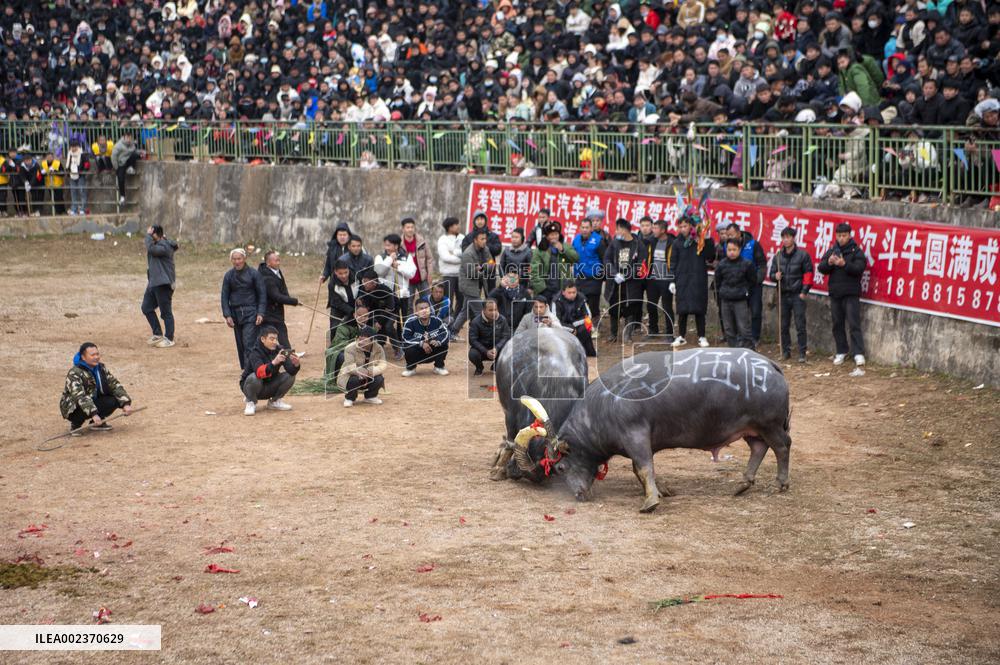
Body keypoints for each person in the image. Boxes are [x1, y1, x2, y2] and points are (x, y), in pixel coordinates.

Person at [818, 222, 867, 370]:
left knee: (853, 323)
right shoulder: (833, 250)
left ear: (849, 235)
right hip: (835, 292)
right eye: (839, 236)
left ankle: (858, 352)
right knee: (837, 323)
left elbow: (859, 268)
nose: (841, 238)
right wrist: (830, 262)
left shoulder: (856, 251)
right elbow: (821, 268)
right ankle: (841, 350)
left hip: (851, 293)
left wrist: (844, 264)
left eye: (844, 235)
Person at [60, 342, 134, 434]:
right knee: (80, 405)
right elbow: (80, 396)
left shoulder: (101, 368)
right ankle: (76, 424)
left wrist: (125, 403)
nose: (96, 357)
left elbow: (114, 385)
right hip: (75, 407)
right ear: (83, 357)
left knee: (113, 400)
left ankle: (98, 422)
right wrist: (93, 414)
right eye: (92, 355)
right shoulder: (74, 373)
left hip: (92, 401)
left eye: (97, 354)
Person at [669, 212, 715, 347]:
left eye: (685, 226)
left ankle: (702, 336)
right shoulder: (677, 243)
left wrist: (706, 240)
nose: (683, 229)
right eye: (680, 226)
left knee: (699, 308)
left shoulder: (699, 240)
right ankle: (681, 336)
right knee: (682, 309)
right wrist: (672, 280)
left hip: (698, 278)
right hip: (682, 279)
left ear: (691, 226)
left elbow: (710, 256)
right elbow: (673, 262)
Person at [770, 227, 814, 362]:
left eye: (788, 237)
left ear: (793, 238)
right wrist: (775, 276)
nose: (785, 240)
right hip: (783, 294)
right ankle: (785, 352)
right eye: (783, 237)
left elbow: (808, 274)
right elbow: (772, 274)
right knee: (783, 325)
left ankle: (802, 353)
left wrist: (804, 292)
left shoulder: (803, 255)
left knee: (800, 324)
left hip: (797, 294)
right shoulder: (778, 256)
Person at [221, 248, 266, 370]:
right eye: (234, 259)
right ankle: (246, 368)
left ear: (244, 259)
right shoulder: (228, 276)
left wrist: (260, 313)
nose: (237, 262)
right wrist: (227, 315)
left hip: (251, 312)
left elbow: (262, 294)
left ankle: (249, 370)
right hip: (235, 314)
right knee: (240, 343)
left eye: (239, 258)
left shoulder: (254, 274)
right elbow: (224, 296)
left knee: (248, 342)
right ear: (231, 260)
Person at [240, 325, 301, 416]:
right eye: (271, 339)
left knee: (290, 376)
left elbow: (290, 371)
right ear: (263, 339)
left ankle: (274, 401)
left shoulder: (279, 350)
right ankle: (251, 401)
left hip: (269, 385)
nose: (274, 342)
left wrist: (296, 364)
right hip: (252, 386)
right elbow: (260, 373)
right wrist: (274, 362)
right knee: (254, 378)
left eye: (276, 339)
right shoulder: (255, 353)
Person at [604, 218, 646, 343]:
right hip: (615, 283)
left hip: (631, 284)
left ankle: (627, 335)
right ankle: (613, 334)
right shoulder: (614, 243)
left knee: (630, 308)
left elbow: (640, 264)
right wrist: (614, 273)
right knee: (614, 308)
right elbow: (606, 259)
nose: (616, 232)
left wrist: (627, 276)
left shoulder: (639, 245)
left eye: (617, 229)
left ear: (623, 229)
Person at [725, 222, 767, 346]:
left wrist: (757, 280)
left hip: (753, 285)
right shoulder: (727, 246)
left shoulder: (753, 244)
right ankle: (740, 337)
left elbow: (762, 264)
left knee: (755, 311)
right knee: (739, 313)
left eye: (731, 235)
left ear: (739, 233)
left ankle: (754, 337)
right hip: (738, 286)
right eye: (728, 235)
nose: (730, 238)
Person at [373, 233, 417, 345]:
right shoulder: (380, 257)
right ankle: (381, 344)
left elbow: (411, 273)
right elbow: (378, 272)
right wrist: (389, 260)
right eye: (385, 245)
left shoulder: (406, 257)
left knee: (402, 320)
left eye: (389, 245)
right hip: (385, 296)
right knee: (384, 320)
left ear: (396, 246)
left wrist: (399, 267)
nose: (386, 247)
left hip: (402, 295)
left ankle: (403, 343)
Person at [714, 238, 757, 349]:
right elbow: (717, 281)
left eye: (734, 249)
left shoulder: (747, 264)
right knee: (728, 329)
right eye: (729, 250)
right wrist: (722, 292)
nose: (732, 252)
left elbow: (752, 281)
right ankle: (733, 351)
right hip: (725, 300)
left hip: (740, 300)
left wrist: (745, 293)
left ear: (740, 250)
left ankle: (750, 351)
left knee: (744, 328)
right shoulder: (721, 264)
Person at [142, 224, 179, 348]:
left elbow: (151, 249)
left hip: (164, 284)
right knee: (146, 307)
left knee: (166, 312)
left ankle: (169, 338)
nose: (149, 237)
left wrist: (148, 236)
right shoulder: (160, 243)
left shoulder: (164, 246)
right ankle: (157, 333)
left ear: (156, 235)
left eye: (152, 234)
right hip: (153, 282)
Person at [572, 212, 608, 336]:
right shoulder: (576, 239)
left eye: (587, 227)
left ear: (591, 228)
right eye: (582, 227)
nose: (585, 230)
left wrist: (603, 276)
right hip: (580, 277)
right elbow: (572, 256)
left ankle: (595, 327)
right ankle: (584, 326)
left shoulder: (599, 240)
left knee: (593, 304)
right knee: (580, 303)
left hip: (594, 278)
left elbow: (605, 259)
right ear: (580, 228)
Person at [452, 228, 492, 336]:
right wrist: (483, 269)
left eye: (485, 239)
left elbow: (491, 262)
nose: (484, 241)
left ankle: (453, 332)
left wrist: (482, 267)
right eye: (482, 239)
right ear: (475, 240)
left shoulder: (486, 249)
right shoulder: (468, 253)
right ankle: (486, 334)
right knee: (480, 312)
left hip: (478, 283)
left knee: (466, 312)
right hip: (468, 286)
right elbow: (471, 274)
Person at [529, 221, 580, 302]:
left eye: (556, 234)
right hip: (546, 290)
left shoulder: (566, 246)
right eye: (551, 235)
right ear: (547, 236)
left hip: (562, 289)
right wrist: (541, 289)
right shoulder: (540, 250)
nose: (554, 237)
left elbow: (576, 258)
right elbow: (534, 271)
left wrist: (563, 250)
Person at [337, 326, 387, 407]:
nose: (361, 342)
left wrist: (372, 371)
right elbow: (349, 366)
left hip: (370, 374)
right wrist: (361, 372)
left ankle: (370, 397)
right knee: (354, 380)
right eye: (360, 339)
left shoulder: (378, 348)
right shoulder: (350, 348)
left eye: (365, 340)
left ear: (372, 340)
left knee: (379, 378)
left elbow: (383, 364)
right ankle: (349, 398)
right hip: (352, 375)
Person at [259, 250, 300, 348]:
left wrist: (290, 298)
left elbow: (283, 289)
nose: (278, 263)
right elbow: (276, 296)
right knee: (278, 337)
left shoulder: (277, 271)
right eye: (276, 261)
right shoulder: (267, 278)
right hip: (270, 314)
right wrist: (294, 301)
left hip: (276, 313)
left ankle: (286, 357)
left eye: (279, 260)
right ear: (268, 263)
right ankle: (288, 359)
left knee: (280, 337)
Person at [401, 300, 450, 376]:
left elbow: (446, 333)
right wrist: (421, 343)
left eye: (426, 308)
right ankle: (411, 368)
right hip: (417, 352)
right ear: (416, 312)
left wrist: (438, 341)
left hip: (432, 351)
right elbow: (405, 338)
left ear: (430, 309)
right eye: (421, 309)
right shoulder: (410, 322)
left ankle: (439, 367)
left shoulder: (437, 321)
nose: (424, 311)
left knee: (443, 345)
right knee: (408, 348)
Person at [645, 220, 676, 339]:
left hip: (666, 279)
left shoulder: (672, 242)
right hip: (653, 279)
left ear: (663, 230)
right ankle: (653, 329)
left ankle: (670, 333)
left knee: (667, 307)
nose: (653, 230)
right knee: (651, 305)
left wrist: (673, 279)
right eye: (653, 228)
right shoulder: (652, 241)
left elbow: (674, 262)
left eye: (656, 228)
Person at [326, 305, 370, 388]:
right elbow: (341, 344)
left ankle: (365, 378)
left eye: (366, 316)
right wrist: (357, 345)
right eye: (360, 316)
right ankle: (346, 380)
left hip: (357, 352)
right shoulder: (344, 326)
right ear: (354, 315)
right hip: (338, 352)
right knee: (345, 356)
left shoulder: (367, 327)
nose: (364, 319)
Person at [552, 281, 597, 356]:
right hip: (563, 327)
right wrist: (571, 328)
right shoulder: (556, 301)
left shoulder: (581, 298)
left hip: (577, 325)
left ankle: (586, 351)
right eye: (569, 292)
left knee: (587, 326)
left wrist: (574, 325)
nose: (572, 295)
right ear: (563, 292)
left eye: (574, 292)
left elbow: (588, 315)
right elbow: (555, 321)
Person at [468, 299, 510, 375]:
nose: (494, 312)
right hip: (482, 350)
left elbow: (506, 336)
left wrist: (497, 348)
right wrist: (485, 351)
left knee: (509, 349)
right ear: (484, 310)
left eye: (495, 309)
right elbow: (472, 340)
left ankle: (496, 366)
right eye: (490, 310)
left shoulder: (502, 320)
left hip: (497, 349)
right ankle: (479, 368)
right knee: (473, 354)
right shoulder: (475, 322)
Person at [437, 217, 465, 328]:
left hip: (461, 275)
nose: (458, 226)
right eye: (455, 225)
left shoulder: (463, 238)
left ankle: (455, 323)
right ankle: (446, 323)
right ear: (449, 227)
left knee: (462, 300)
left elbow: (466, 253)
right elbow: (445, 257)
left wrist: (454, 252)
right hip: (448, 274)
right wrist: (461, 258)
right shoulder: (443, 239)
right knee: (447, 300)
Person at [400, 217, 435, 305]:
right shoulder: (399, 244)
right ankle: (411, 319)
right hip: (407, 280)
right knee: (408, 304)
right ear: (403, 229)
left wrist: (430, 274)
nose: (410, 229)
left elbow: (429, 258)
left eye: (412, 227)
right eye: (408, 227)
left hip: (422, 278)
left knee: (427, 301)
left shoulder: (421, 241)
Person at [487, 270, 532, 334]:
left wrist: (523, 326)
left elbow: (528, 311)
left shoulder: (525, 293)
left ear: (518, 279)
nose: (512, 281)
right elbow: (489, 299)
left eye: (515, 278)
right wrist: (500, 287)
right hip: (502, 327)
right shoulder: (500, 291)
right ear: (505, 278)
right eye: (510, 278)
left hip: (519, 328)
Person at [327, 258, 358, 337]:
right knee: (335, 328)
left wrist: (358, 309)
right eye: (340, 273)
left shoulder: (357, 277)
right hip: (338, 308)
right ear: (335, 272)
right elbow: (337, 302)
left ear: (348, 270)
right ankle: (334, 348)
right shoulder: (332, 284)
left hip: (356, 306)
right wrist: (351, 311)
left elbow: (362, 291)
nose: (344, 276)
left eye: (346, 272)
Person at [111, 134, 140, 204]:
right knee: (120, 178)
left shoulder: (132, 144)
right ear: (124, 138)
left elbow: (134, 150)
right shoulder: (118, 145)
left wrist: (140, 153)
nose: (129, 140)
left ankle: (131, 167)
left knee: (135, 154)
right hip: (120, 163)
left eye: (130, 138)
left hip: (127, 161)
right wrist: (116, 167)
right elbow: (113, 157)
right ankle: (122, 196)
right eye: (127, 138)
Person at [65, 140, 90, 216]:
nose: (73, 148)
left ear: (78, 146)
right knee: (73, 193)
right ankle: (74, 209)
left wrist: (82, 172)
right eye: (72, 146)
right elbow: (68, 164)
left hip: (80, 176)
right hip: (72, 175)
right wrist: (68, 171)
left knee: (82, 192)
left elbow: (87, 164)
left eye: (74, 146)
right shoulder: (69, 154)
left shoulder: (83, 154)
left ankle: (83, 209)